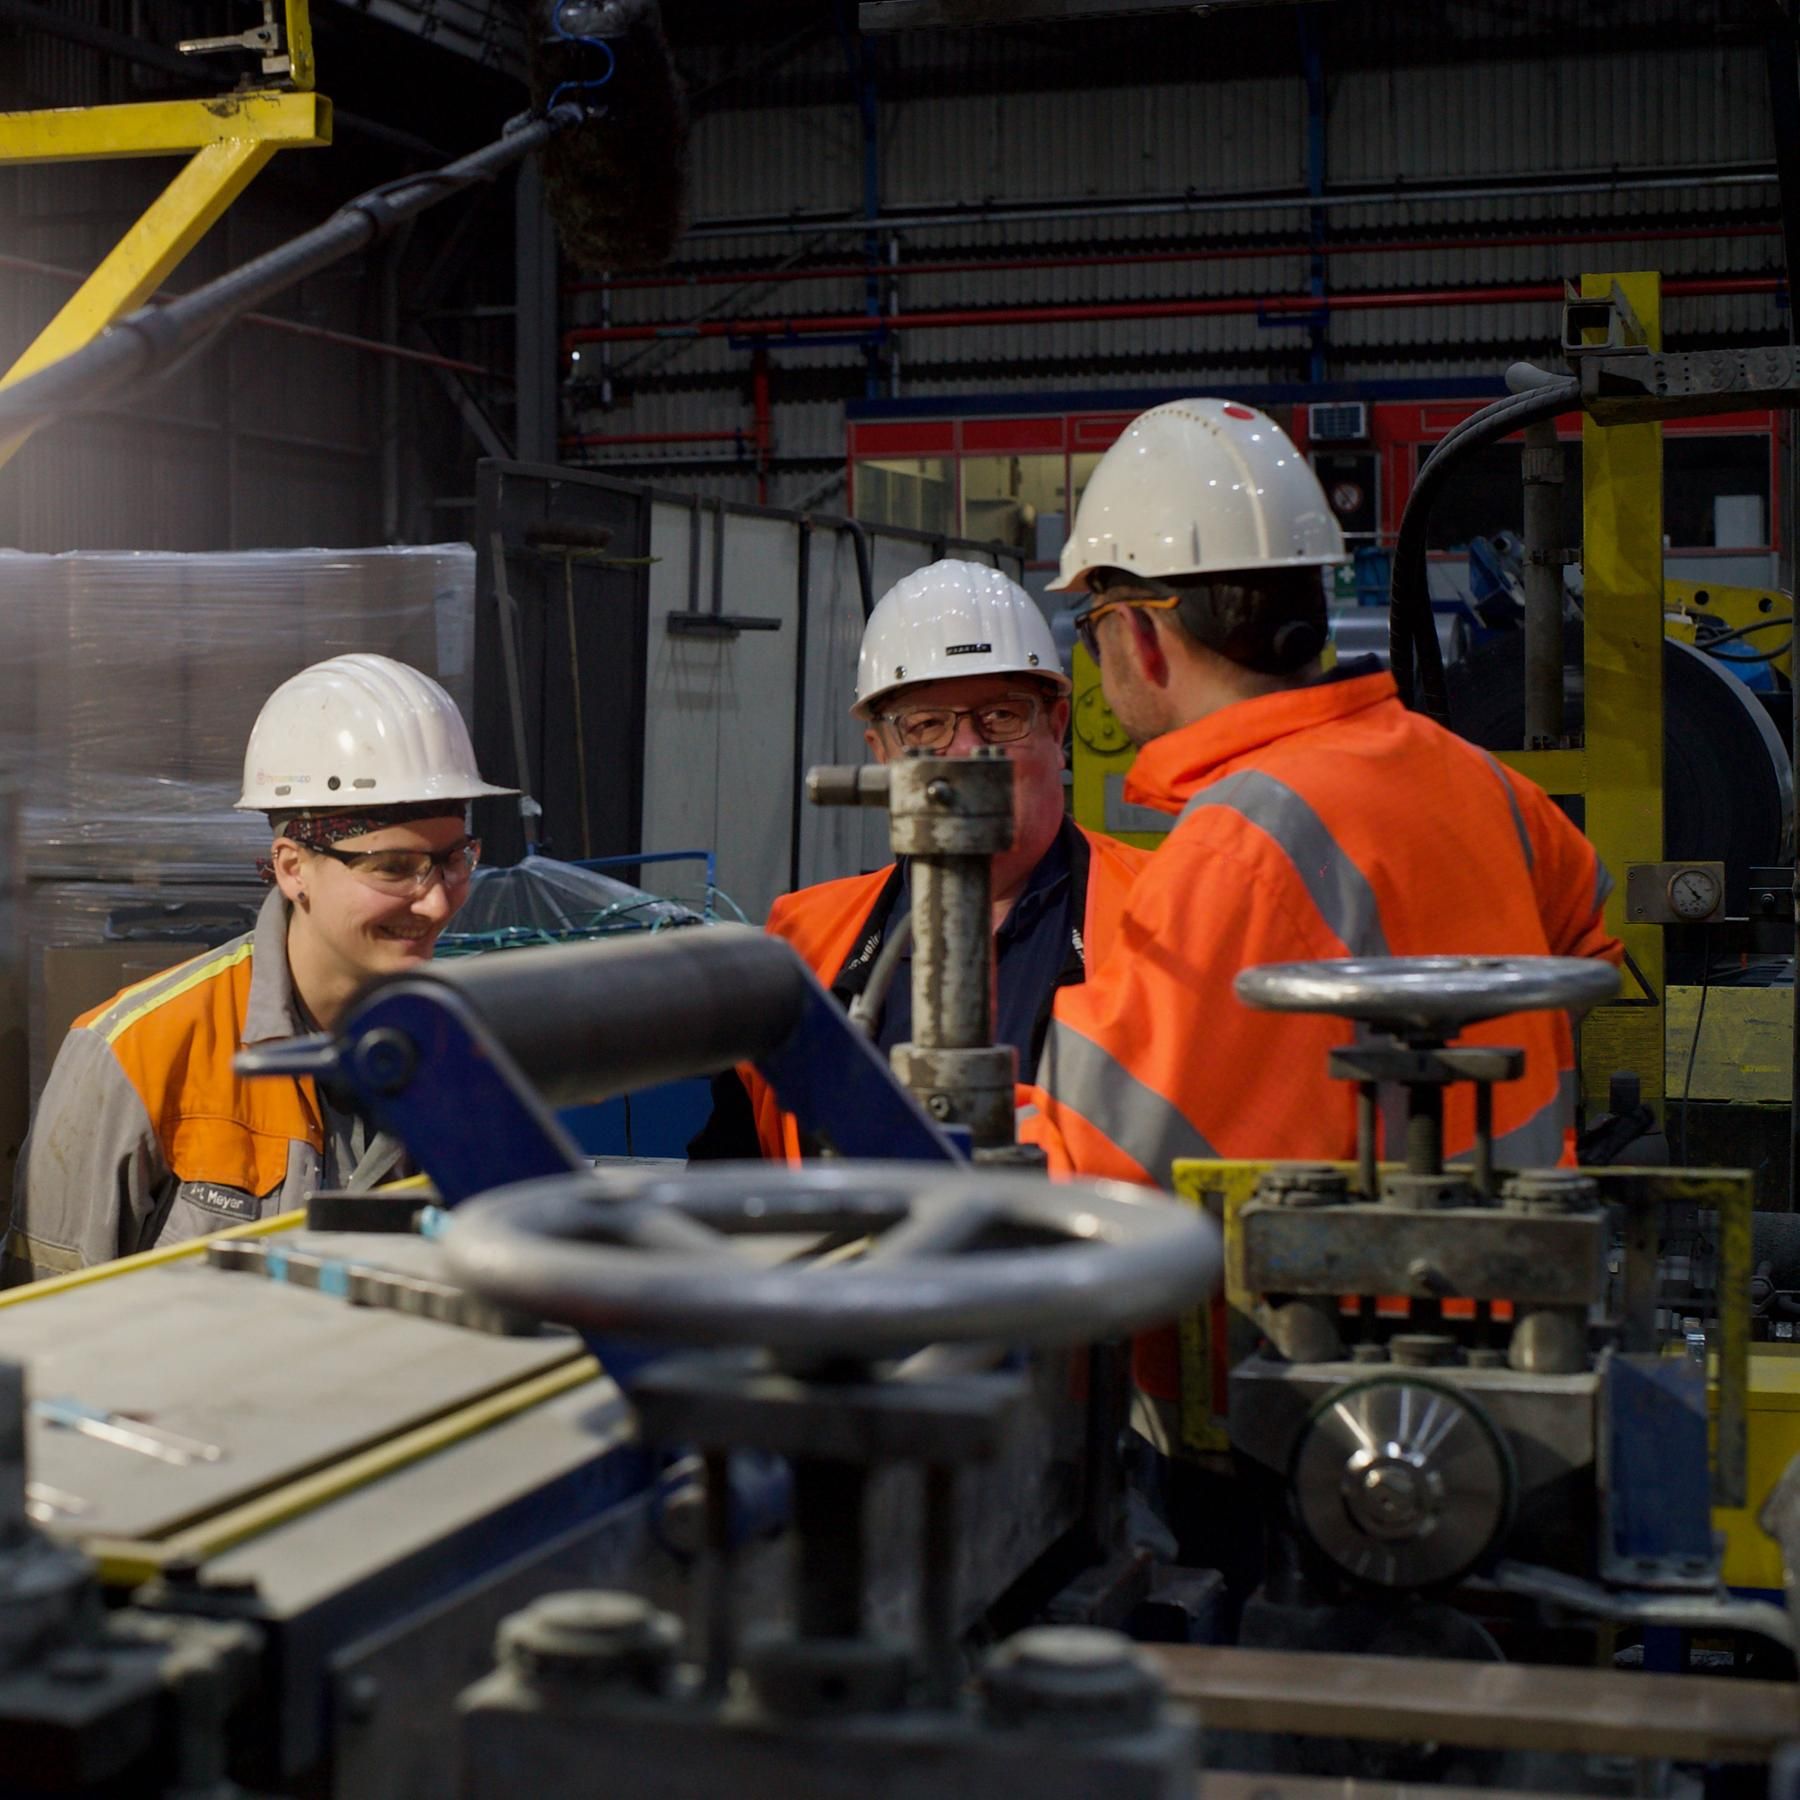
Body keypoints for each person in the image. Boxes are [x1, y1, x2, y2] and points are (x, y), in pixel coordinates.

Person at [1016, 397, 1622, 1446]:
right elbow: (1584, 944)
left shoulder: (1238, 843)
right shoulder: (1476, 781)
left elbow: (1095, 1171)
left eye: (1094, 624)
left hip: (1313, 1416)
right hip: (1526, 1350)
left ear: (1143, 638)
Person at [3, 653, 515, 1281]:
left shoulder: (469, 1045)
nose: (437, 900)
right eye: (393, 868)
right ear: (293, 867)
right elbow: (48, 1322)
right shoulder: (137, 1055)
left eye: (454, 859)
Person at [689, 558, 1148, 1161]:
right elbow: (735, 1183)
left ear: (1056, 727)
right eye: (927, 725)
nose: (966, 749)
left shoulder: (1159, 910)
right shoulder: (804, 941)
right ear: (880, 753)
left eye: (1001, 715)